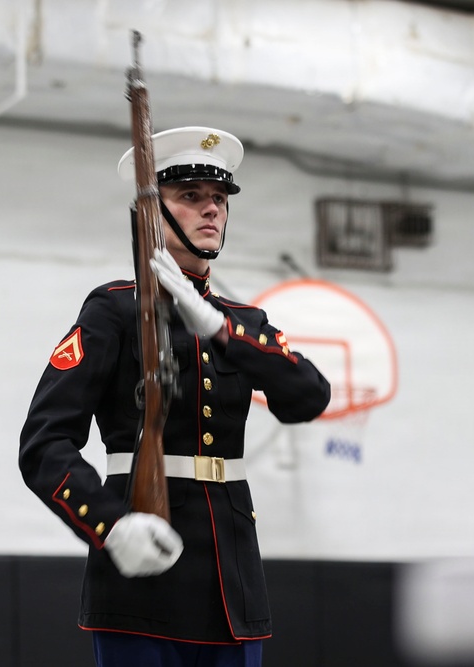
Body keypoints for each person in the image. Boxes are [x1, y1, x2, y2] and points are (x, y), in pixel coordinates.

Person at [19, 126, 331, 667]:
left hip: (232, 580)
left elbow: (308, 396)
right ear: (150, 215)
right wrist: (109, 525)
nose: (211, 210)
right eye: (189, 197)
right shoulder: (114, 311)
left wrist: (218, 331)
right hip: (143, 573)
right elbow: (44, 443)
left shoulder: (242, 322)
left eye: (219, 200)